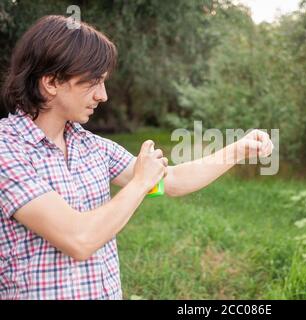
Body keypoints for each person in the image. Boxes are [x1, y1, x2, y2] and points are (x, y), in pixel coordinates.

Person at [0, 15, 274, 299]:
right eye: (93, 82)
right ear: (52, 82)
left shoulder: (93, 147)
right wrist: (139, 183)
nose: (103, 95)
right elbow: (79, 239)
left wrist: (238, 149)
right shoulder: (6, 149)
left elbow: (173, 181)